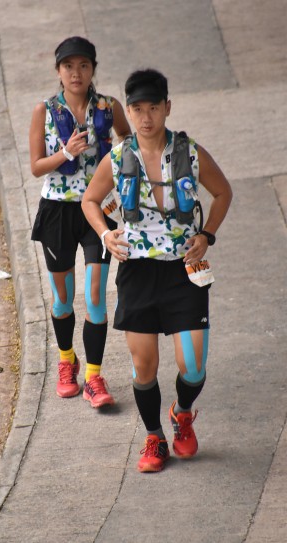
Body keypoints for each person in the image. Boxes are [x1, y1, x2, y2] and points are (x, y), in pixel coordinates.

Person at [82, 68, 232, 470]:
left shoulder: (190, 153)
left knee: (193, 367)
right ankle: (154, 437)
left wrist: (208, 235)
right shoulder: (119, 158)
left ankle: (182, 412)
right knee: (144, 366)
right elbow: (90, 200)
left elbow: (223, 192)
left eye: (153, 108)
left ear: (167, 107)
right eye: (137, 109)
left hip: (184, 268)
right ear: (128, 112)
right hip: (138, 271)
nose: (145, 117)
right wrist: (105, 234)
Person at [29, 36, 131, 408]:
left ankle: (93, 376)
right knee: (62, 298)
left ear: (93, 70)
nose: (76, 73)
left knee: (95, 296)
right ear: (58, 71)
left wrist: (119, 173)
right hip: (57, 210)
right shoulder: (44, 110)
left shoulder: (109, 106)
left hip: (96, 210)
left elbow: (129, 142)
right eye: (69, 66)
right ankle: (66, 360)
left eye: (83, 66)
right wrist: (65, 153)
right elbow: (36, 166)